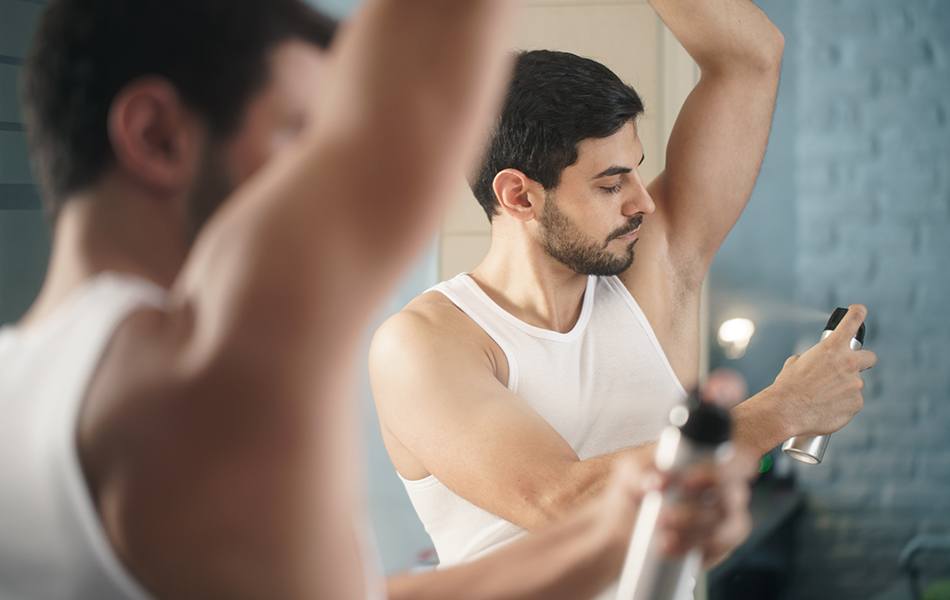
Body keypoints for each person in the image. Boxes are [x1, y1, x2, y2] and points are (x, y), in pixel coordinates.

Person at [0, 0, 752, 598]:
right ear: (157, 136)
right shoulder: (188, 382)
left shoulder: (21, 388)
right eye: (298, 135)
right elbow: (421, 88)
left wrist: (621, 528)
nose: (312, 173)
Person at [370, 0, 878, 578]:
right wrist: (782, 409)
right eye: (612, 185)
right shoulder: (424, 343)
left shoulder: (655, 269)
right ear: (519, 196)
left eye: (636, 169)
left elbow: (751, 58)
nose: (644, 201)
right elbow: (563, 502)